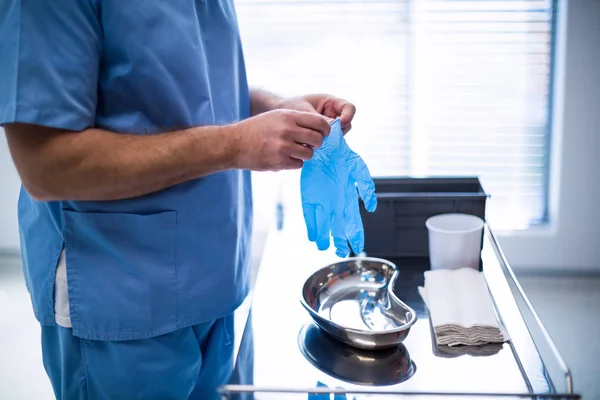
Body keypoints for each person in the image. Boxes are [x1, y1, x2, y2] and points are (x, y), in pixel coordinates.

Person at [0, 1, 357, 399]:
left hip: (214, 281)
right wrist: (236, 144)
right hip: (121, 299)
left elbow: (183, 89)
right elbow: (46, 167)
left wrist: (272, 108)